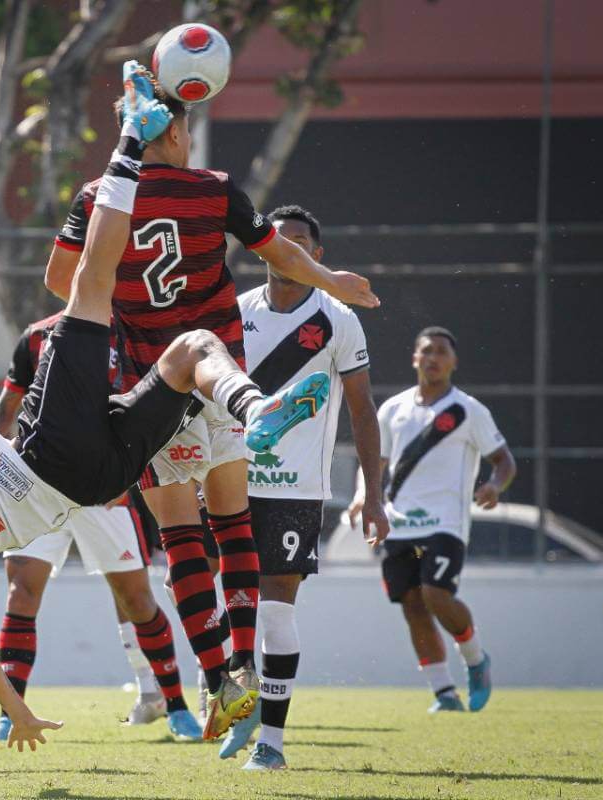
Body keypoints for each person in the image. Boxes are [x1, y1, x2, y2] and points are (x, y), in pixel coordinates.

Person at [0, 62, 374, 755]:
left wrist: (15, 710)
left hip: (96, 461)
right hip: (90, 436)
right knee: (112, 310)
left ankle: (216, 683)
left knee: (178, 516)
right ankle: (250, 411)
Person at [44, 80, 381, 741]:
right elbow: (276, 252)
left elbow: (61, 281)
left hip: (149, 387)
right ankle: (245, 672)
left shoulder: (99, 198)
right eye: (187, 128)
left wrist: (121, 292)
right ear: (173, 133)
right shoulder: (213, 188)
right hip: (220, 376)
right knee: (232, 528)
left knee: (180, 541)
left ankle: (221, 686)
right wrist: (333, 280)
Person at [0, 311, 202, 743]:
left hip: (104, 486)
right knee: (21, 591)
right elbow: (8, 406)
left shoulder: (132, 332)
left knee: (136, 599)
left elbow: (145, 408)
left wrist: (129, 473)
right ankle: (9, 713)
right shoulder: (37, 334)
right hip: (37, 484)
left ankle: (175, 707)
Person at [216, 205, 390, 769]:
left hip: (296, 487)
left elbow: (363, 414)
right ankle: (232, 700)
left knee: (274, 611)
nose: (286, 249)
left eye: (299, 242)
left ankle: (271, 742)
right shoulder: (235, 314)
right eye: (277, 241)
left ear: (316, 256)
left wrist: (374, 493)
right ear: (261, 249)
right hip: (230, 481)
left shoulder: (337, 318)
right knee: (215, 603)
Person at [350, 326, 516, 714]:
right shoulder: (393, 409)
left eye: (442, 352)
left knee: (436, 594)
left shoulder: (468, 410)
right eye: (427, 351)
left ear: (453, 362)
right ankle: (444, 693)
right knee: (412, 603)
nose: (433, 358)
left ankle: (476, 661)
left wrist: (494, 485)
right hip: (398, 522)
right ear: (415, 358)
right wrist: (364, 494)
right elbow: (374, 463)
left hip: (446, 523)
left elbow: (503, 460)